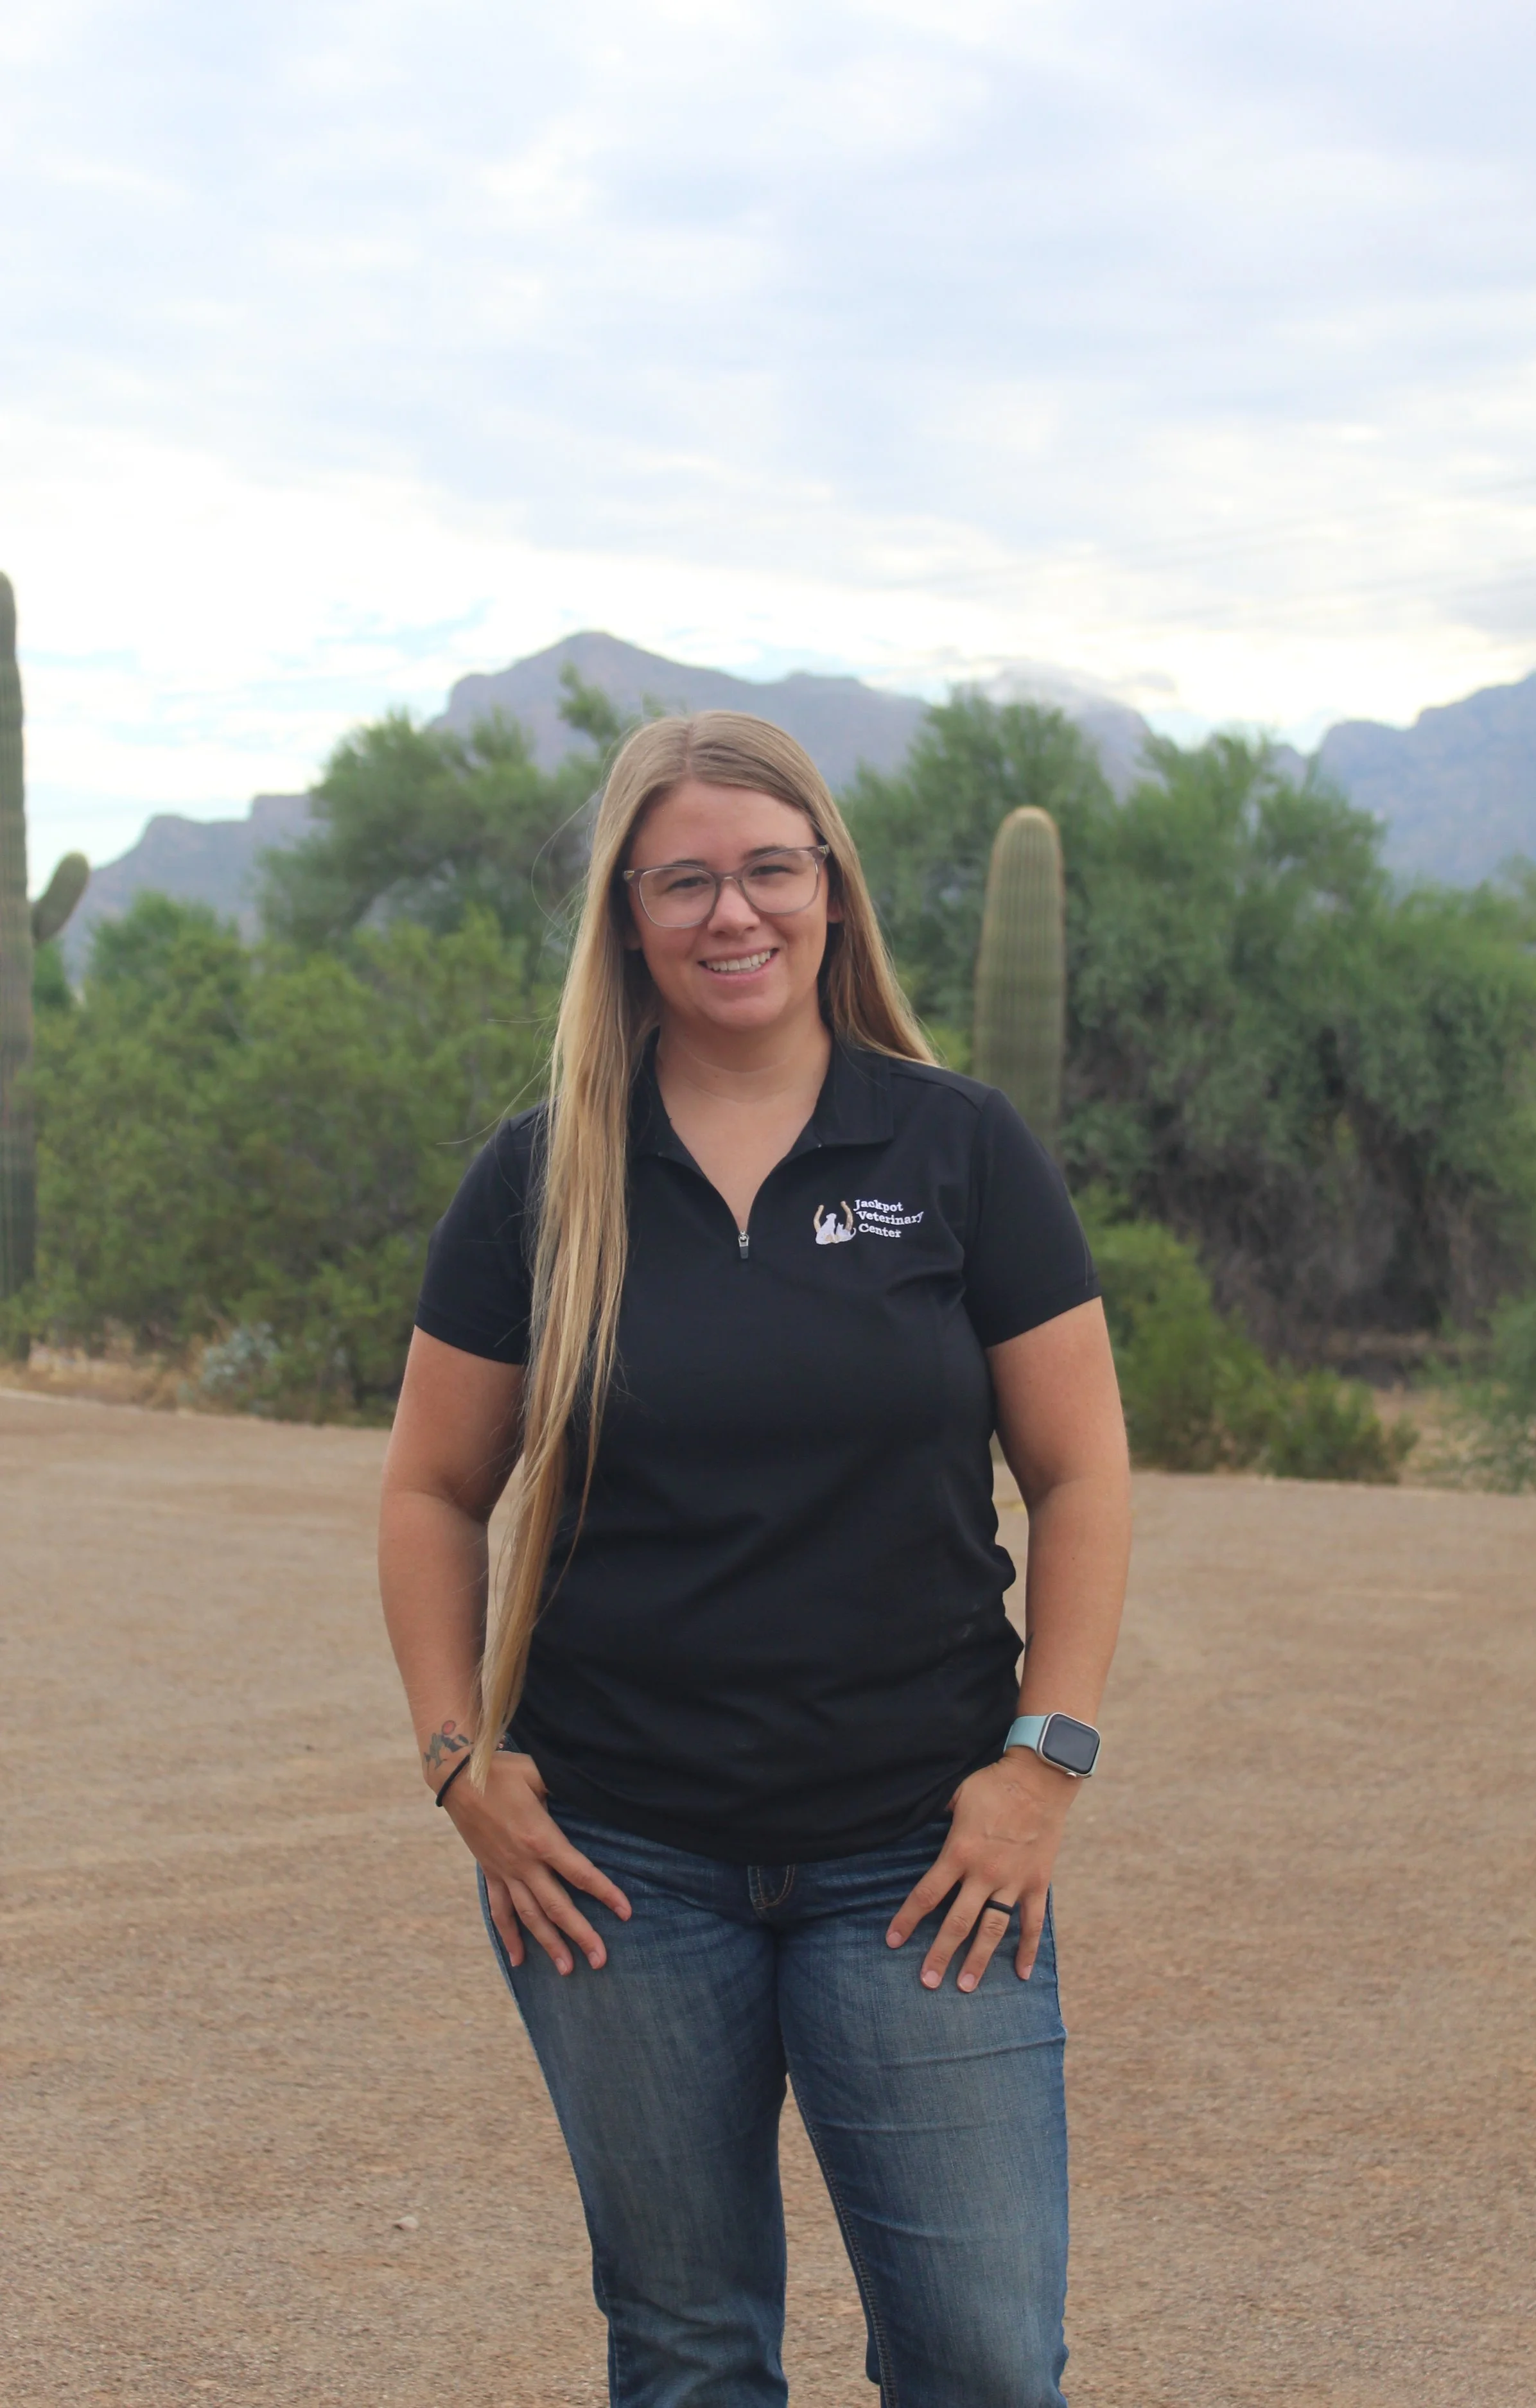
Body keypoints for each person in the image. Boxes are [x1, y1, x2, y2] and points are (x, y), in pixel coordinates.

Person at [378, 711, 1131, 2407]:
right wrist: (455, 1760)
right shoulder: (541, 1176)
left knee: (987, 2359)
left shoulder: (957, 1149)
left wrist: (1042, 1761)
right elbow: (433, 1485)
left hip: (919, 1857)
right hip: (619, 1872)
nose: (735, 914)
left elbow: (1077, 1472)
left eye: (769, 870)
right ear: (629, 919)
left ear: (831, 895)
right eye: (686, 881)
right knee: (691, 2348)